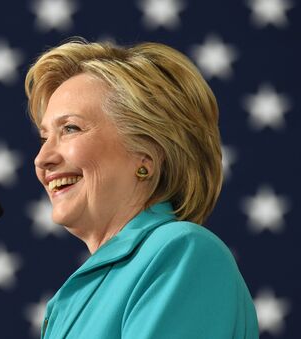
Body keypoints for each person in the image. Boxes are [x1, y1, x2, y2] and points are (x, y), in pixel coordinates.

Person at [24, 39, 259, 338]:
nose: (42, 159)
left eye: (70, 129)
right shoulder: (70, 300)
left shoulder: (182, 252)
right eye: (45, 138)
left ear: (144, 155)